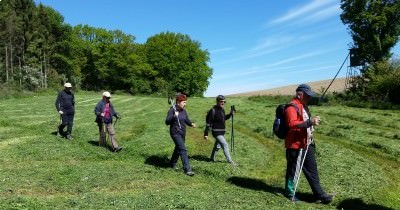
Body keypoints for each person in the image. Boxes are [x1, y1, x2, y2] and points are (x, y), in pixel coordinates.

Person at [284, 84, 333, 204]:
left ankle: (319, 195)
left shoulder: (304, 106)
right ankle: (290, 193)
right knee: (294, 171)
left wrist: (311, 123)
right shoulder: (291, 107)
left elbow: (305, 122)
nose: (309, 98)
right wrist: (309, 122)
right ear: (300, 94)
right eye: (307, 95)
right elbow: (291, 124)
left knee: (312, 170)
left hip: (307, 143)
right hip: (295, 145)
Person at [165, 94, 196, 176]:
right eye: (184, 102)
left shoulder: (183, 111)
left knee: (178, 149)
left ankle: (172, 163)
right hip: (175, 133)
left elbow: (186, 120)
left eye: (185, 102)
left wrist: (191, 124)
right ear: (178, 102)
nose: (185, 104)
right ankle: (187, 169)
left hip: (182, 133)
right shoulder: (172, 110)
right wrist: (174, 116)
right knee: (183, 149)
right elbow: (167, 122)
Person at [204, 95, 236, 165]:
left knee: (217, 146)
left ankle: (211, 159)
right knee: (225, 145)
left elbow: (224, 118)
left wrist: (230, 114)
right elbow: (208, 123)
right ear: (217, 102)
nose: (223, 103)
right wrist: (206, 134)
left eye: (224, 102)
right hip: (216, 132)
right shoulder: (213, 110)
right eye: (221, 102)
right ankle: (230, 161)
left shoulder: (222, 110)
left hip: (222, 131)